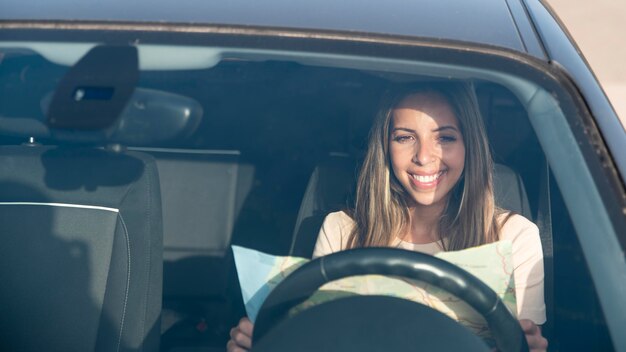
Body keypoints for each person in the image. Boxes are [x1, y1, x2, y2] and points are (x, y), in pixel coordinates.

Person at [227, 82, 548, 352]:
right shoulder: (342, 230)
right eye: (405, 137)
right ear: (385, 146)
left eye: (445, 137)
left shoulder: (512, 237)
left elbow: (523, 338)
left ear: (470, 145)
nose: (424, 156)